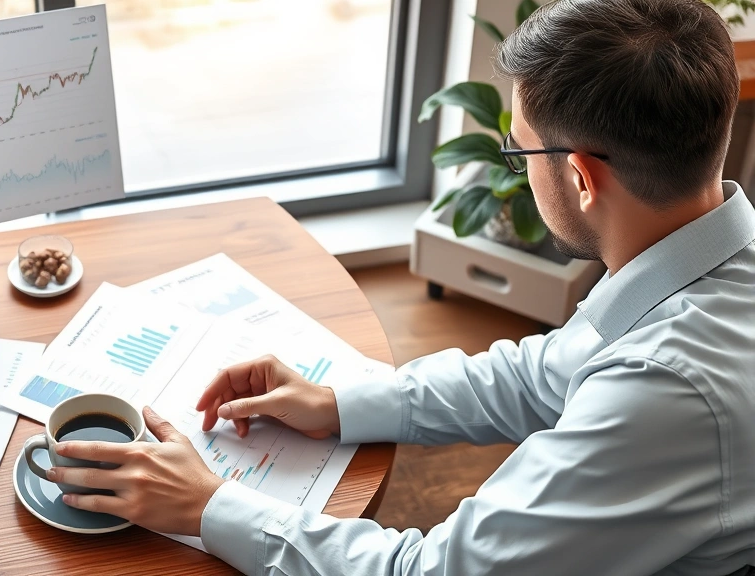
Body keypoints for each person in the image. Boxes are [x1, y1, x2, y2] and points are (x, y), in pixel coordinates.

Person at [46, 0, 755, 573]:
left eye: (519, 150)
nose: (515, 164)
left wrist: (207, 506)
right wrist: (336, 403)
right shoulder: (691, 259)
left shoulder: (667, 393)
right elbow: (545, 376)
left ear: (578, 178)